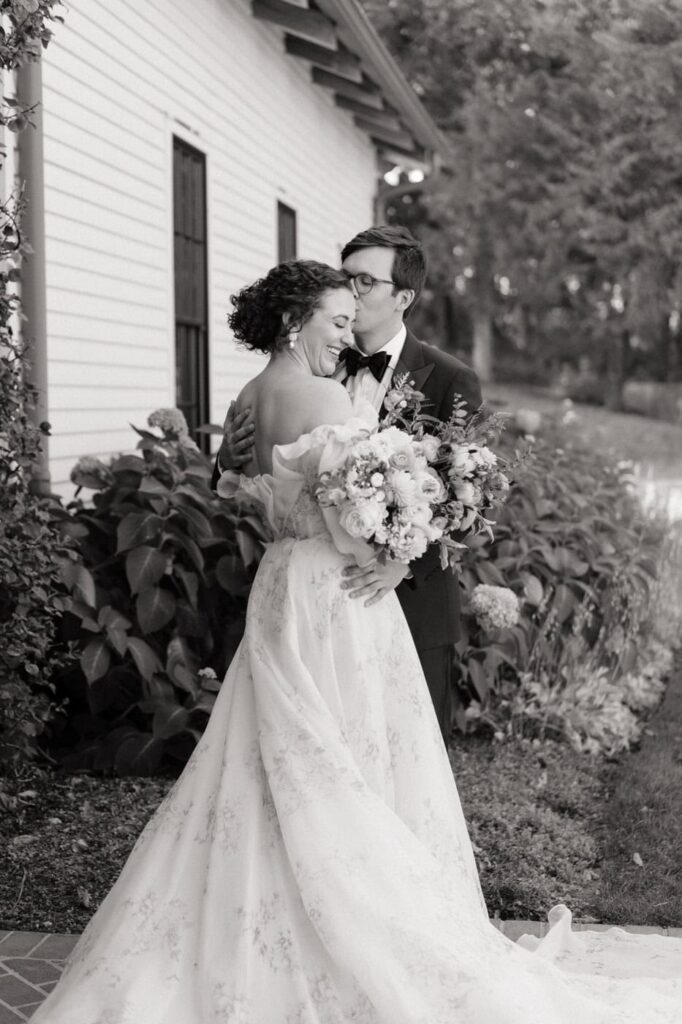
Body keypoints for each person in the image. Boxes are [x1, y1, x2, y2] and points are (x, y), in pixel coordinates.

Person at [33, 260, 681, 1023]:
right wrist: (398, 548)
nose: (349, 333)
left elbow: (238, 481)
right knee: (350, 756)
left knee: (267, 755)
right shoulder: (324, 395)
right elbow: (351, 513)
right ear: (292, 321)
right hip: (337, 594)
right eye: (337, 321)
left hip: (280, 587)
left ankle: (237, 923)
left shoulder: (249, 396)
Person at [212, 226, 483, 738]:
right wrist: (225, 456)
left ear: (403, 297)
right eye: (346, 277)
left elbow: (470, 496)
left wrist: (402, 563)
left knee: (403, 759)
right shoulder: (315, 366)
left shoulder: (450, 379)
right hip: (320, 599)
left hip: (412, 603)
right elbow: (256, 462)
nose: (352, 293)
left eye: (364, 281)